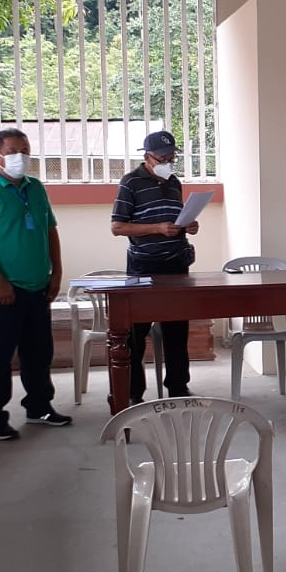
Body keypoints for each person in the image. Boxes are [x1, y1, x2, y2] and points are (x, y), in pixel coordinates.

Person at [0, 127, 72, 440]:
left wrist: (56, 273)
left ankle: (39, 406)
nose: (19, 158)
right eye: (12, 152)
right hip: (2, 291)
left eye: (25, 152)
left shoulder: (35, 188)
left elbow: (50, 230)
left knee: (39, 352)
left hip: (38, 287)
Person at [111, 130, 200, 403]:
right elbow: (118, 227)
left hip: (176, 263)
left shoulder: (174, 182)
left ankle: (178, 386)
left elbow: (177, 219)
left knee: (177, 329)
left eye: (171, 157)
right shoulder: (131, 182)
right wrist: (156, 228)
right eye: (162, 158)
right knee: (136, 332)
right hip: (143, 265)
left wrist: (189, 225)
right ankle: (133, 393)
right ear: (147, 157)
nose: (167, 162)